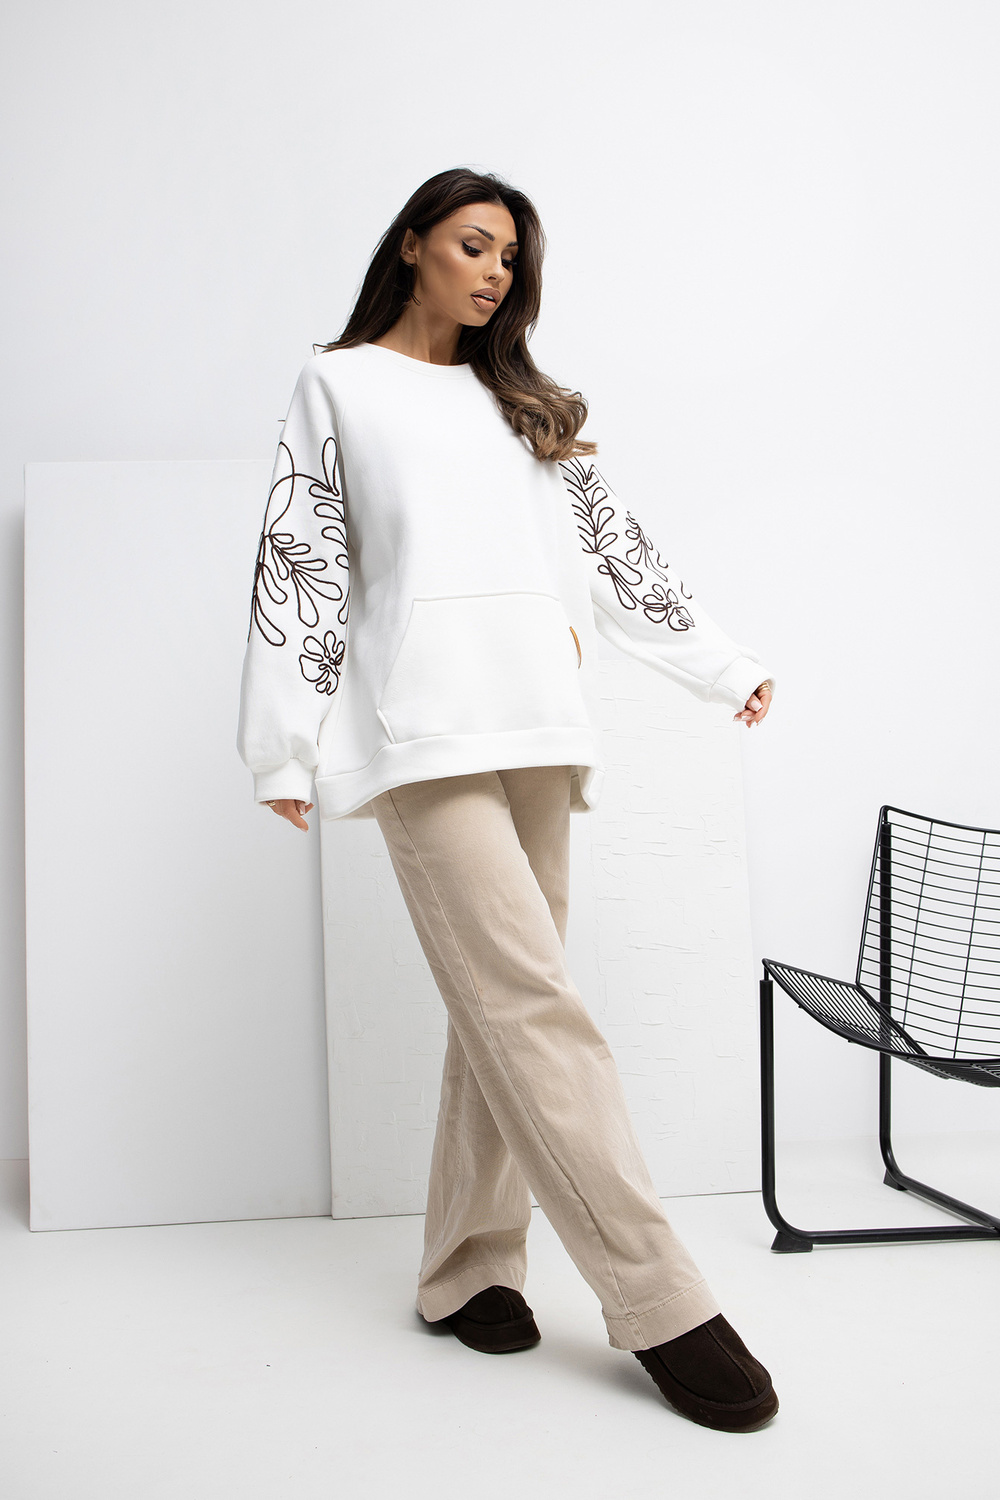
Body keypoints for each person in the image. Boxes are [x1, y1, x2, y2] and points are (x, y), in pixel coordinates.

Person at [236, 166, 778, 1434]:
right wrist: (283, 747)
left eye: (511, 260)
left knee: (504, 1005)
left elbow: (611, 544)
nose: (494, 274)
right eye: (474, 246)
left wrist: (720, 663)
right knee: (537, 1007)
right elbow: (302, 556)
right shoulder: (340, 384)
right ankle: (659, 1298)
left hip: (539, 720)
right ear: (413, 244)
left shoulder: (522, 402)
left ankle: (466, 1268)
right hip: (419, 735)